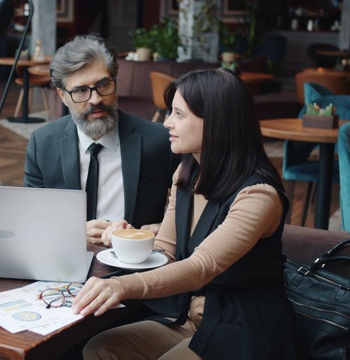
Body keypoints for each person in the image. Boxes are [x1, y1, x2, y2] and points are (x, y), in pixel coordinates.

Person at [73, 68, 296, 359]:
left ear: (216, 122)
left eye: (179, 114)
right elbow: (166, 250)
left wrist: (120, 286)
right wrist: (123, 240)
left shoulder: (258, 195)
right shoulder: (187, 172)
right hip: (190, 316)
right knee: (101, 349)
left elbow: (202, 266)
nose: (167, 123)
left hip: (242, 324)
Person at [24, 34, 178, 244]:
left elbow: (193, 207)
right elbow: (32, 218)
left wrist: (166, 228)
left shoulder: (158, 140)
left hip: (137, 264)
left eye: (104, 85)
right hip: (68, 260)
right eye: (80, 90)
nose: (96, 99)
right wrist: (74, 231)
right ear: (62, 95)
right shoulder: (42, 144)